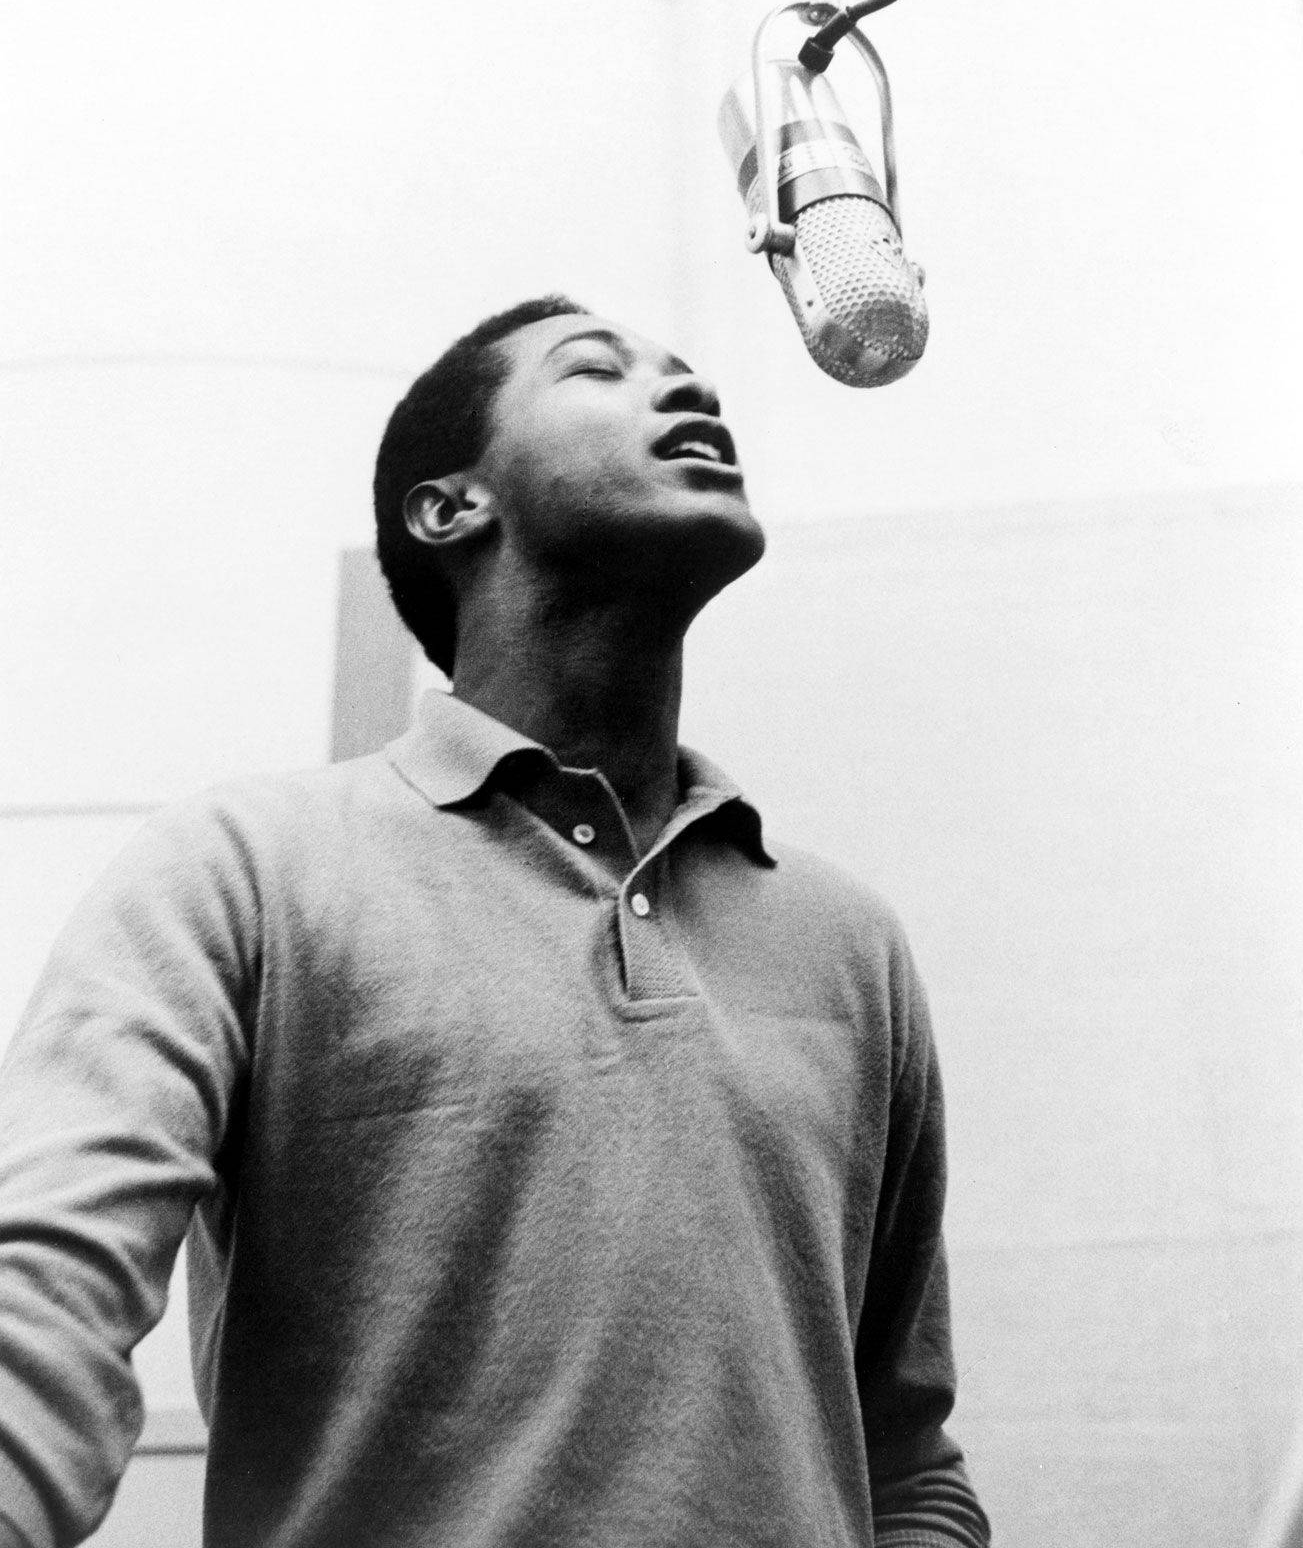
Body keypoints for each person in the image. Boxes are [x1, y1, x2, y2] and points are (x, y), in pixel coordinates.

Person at [0, 295, 992, 1548]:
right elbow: (37, 1301)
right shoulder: (243, 866)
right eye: (599, 370)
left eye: (690, 377)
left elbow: (905, 1454)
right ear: (450, 506)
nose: (687, 394)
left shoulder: (849, 940)